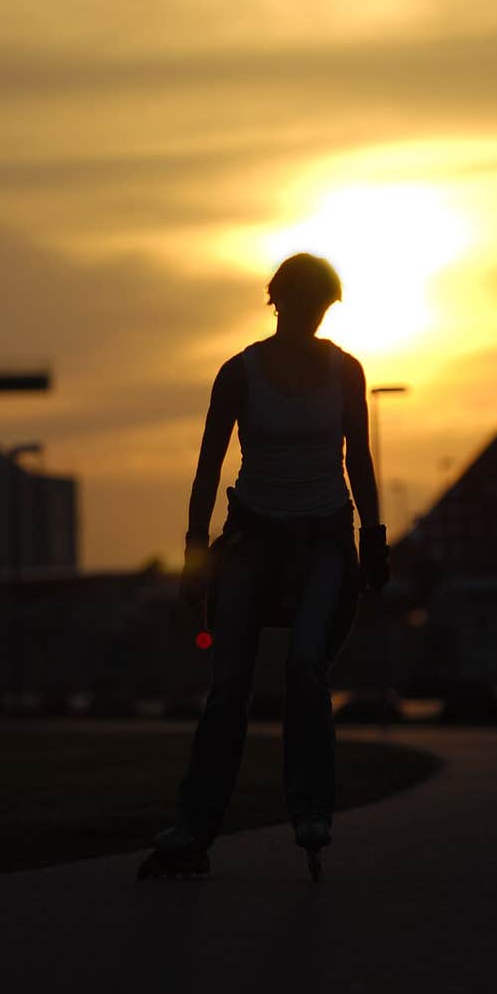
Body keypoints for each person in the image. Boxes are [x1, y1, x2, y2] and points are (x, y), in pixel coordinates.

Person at [137, 252, 389, 879]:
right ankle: (194, 829)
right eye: (303, 305)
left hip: (325, 539)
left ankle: (310, 810)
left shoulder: (346, 373)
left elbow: (359, 459)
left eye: (321, 308)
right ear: (278, 303)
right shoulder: (239, 374)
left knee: (307, 664)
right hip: (252, 539)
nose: (311, 317)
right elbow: (207, 467)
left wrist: (374, 540)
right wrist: (196, 554)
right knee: (229, 689)